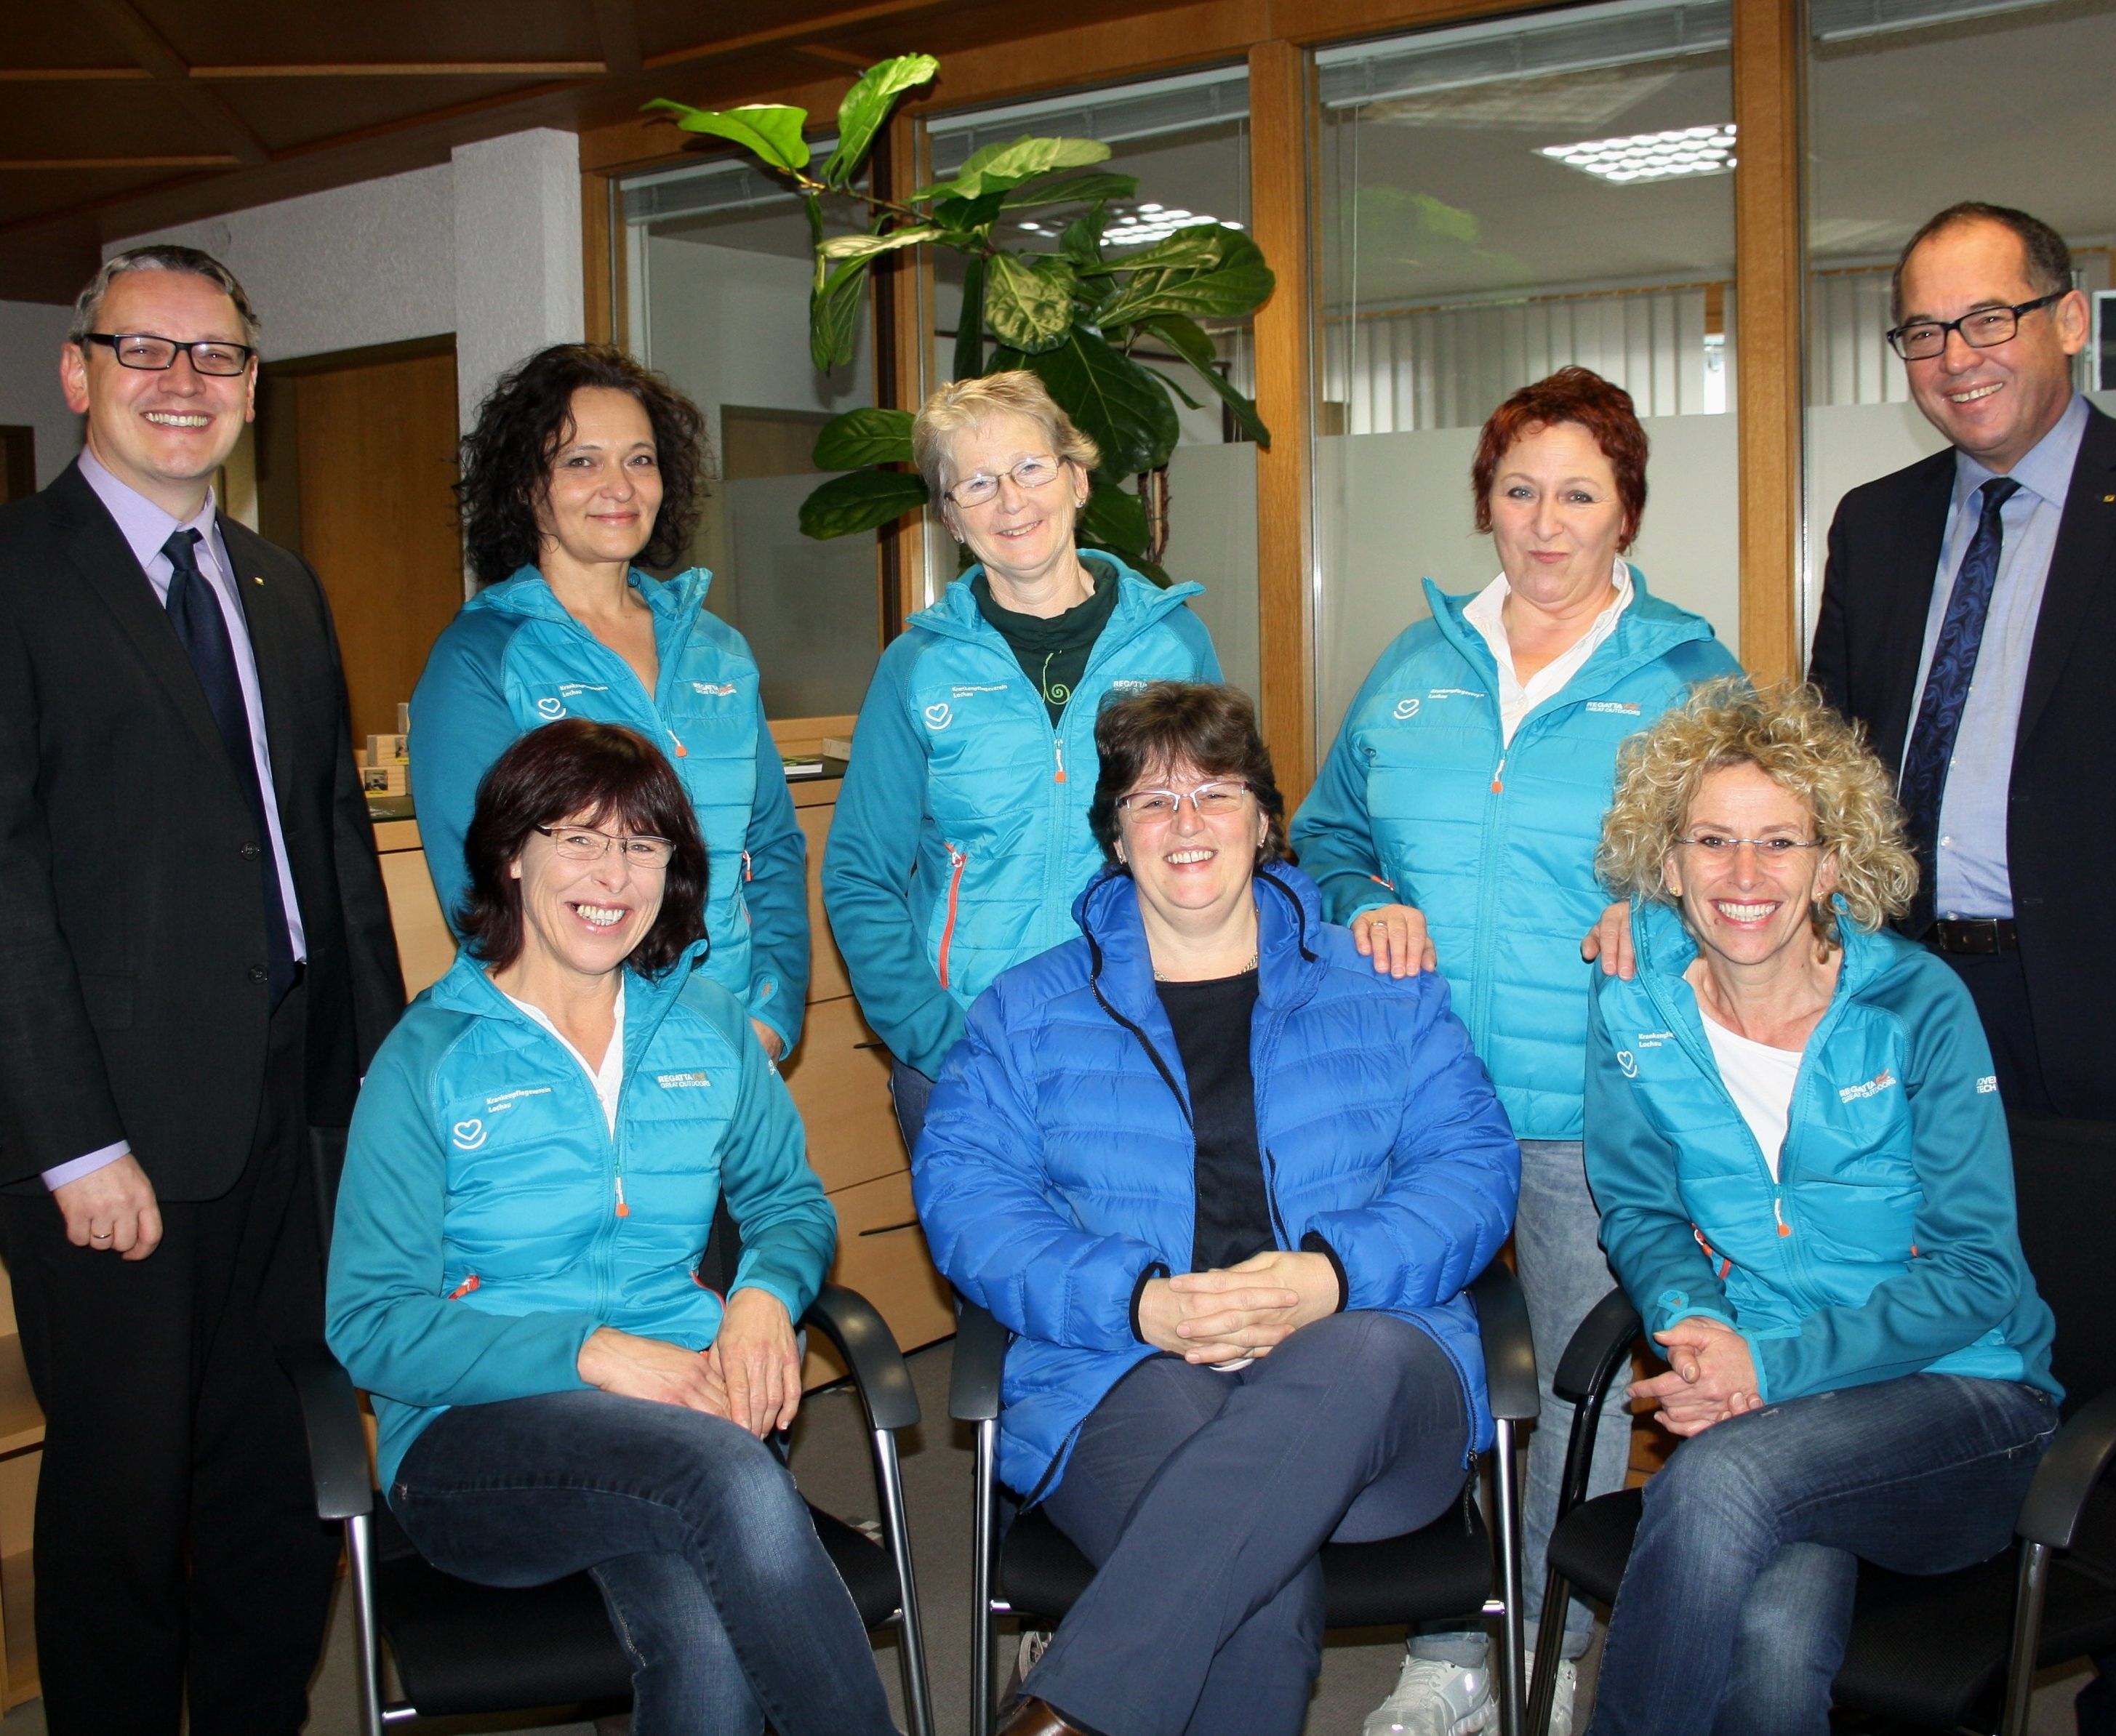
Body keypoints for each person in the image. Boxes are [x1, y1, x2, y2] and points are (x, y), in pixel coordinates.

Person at [1808, 201, 2116, 1735]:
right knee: (1928, 1336)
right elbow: (1828, 779)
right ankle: (1954, 1665)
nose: (1953, 359)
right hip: (1913, 1009)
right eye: (1920, 330)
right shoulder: (1876, 522)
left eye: (1987, 320)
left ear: (2066, 319)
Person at [913, 682, 1520, 1736]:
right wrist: (1133, 1303)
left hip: (1372, 1394)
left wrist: (1332, 1276)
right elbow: (968, 1200)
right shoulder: (1028, 1008)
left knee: (1353, 1358)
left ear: (1266, 821)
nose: (1186, 823)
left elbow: (1471, 1167)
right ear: (1115, 836)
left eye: (1216, 794)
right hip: (1128, 1374)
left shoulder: (1381, 983)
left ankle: (1065, 1710)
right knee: (1249, 1569)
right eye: (1151, 802)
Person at [1291, 365, 1740, 1735]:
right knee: (1417, 1362)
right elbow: (1323, 835)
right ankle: (1447, 1651)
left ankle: (1547, 1652)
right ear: (1484, 502)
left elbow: (1756, 866)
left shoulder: (1687, 673)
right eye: (1517, 490)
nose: (1544, 523)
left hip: (1580, 1101)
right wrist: (1365, 899)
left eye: (1578, 494)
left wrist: (1661, 903)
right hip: (1409, 1105)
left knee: (1580, 1391)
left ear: (1625, 514)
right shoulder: (1411, 663)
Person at [0, 244, 404, 1734]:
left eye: (215, 358)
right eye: (146, 352)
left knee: (279, 1479)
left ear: (252, 385)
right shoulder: (17, 578)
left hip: (293, 1121)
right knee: (121, 1503)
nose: (183, 384)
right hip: (117, 1141)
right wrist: (72, 1141)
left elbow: (336, 852)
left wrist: (379, 1093)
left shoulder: (282, 589)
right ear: (79, 373)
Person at [327, 719, 896, 1736]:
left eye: (642, 845)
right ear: (512, 854)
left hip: (675, 1419)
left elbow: (790, 1203)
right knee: (729, 1477)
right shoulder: (431, 1055)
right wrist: (585, 1352)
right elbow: (371, 1325)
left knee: (707, 1639)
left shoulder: (710, 1023)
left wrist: (766, 1296)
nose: (613, 875)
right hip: (471, 1448)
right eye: (577, 838)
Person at [1581, 680, 2061, 1736]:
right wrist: (1698, 1326)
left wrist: (1768, 1370)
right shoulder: (1634, 1008)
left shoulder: (1916, 1006)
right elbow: (1642, 1210)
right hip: (1777, 1404)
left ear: (1832, 863)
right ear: (1668, 864)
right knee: (1776, 1645)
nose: (1744, 876)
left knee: (1716, 1487)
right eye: (1712, 841)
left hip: (1966, 1402)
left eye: (1780, 844)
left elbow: (1980, 1275)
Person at [822, 371, 1222, 1152]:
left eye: (1030, 468)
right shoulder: (917, 668)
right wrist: (934, 1037)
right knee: (990, 1274)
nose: (1010, 500)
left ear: (1076, 479)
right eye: (975, 482)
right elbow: (860, 874)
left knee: (1144, 1270)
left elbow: (1224, 843)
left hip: (1137, 1042)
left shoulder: (1174, 647)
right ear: (949, 516)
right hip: (966, 1047)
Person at [411, 343, 809, 1062]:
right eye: (581, 461)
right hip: (580, 1054)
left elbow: (771, 848)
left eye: (640, 459)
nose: (619, 486)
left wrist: (770, 1018)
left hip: (731, 1043)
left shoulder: (717, 649)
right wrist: (606, 1049)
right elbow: (478, 893)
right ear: (527, 486)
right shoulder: (481, 656)